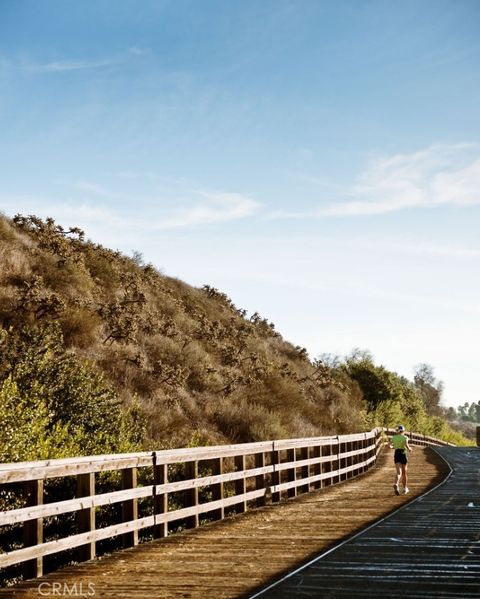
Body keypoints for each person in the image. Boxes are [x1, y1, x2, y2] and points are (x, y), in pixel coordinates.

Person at [389, 425, 413, 495]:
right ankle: (405, 488)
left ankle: (396, 484)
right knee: (404, 473)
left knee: (398, 472)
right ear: (403, 431)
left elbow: (389, 445)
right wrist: (410, 449)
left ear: (397, 431)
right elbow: (406, 445)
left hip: (397, 454)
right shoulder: (405, 437)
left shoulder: (394, 437)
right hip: (403, 454)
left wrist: (394, 447)